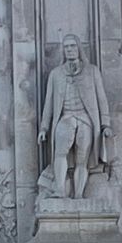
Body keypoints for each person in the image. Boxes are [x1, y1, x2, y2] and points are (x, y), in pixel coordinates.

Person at [38, 35, 112, 198]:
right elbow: (48, 103)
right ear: (63, 51)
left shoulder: (92, 71)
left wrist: (105, 124)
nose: (70, 49)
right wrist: (44, 127)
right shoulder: (56, 74)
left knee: (82, 160)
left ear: (78, 48)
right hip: (65, 118)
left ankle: (79, 195)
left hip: (86, 120)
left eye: (72, 46)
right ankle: (59, 189)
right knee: (60, 153)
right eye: (66, 47)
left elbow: (102, 99)